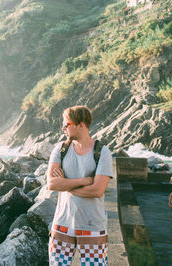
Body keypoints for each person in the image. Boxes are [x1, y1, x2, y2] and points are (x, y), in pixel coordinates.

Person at [47, 105, 113, 266]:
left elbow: (97, 190)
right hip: (62, 224)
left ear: (81, 125)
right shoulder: (60, 149)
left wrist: (66, 184)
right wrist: (84, 181)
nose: (63, 128)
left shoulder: (102, 152)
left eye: (67, 124)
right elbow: (52, 183)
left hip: (93, 226)